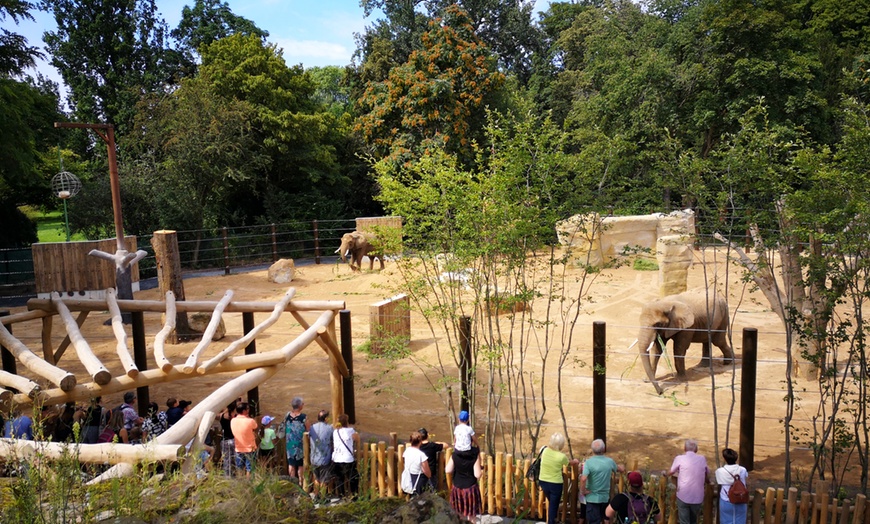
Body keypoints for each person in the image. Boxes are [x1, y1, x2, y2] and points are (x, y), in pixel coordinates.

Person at [539, 432, 581, 524]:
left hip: (543, 481)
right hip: (555, 484)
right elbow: (569, 463)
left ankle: (554, 519)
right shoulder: (561, 456)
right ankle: (551, 521)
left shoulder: (544, 450)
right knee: (554, 505)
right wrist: (575, 461)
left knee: (552, 503)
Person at [580, 439, 624, 524]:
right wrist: (623, 467)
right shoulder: (609, 461)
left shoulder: (588, 463)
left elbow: (583, 478)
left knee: (593, 521)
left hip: (592, 497)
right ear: (603, 449)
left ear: (592, 450)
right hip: (604, 497)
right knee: (605, 519)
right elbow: (619, 469)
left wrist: (583, 490)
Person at [666, 439, 710, 524]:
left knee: (684, 521)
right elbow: (707, 472)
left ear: (684, 448)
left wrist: (665, 474)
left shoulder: (679, 458)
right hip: (697, 497)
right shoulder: (702, 459)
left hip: (683, 495)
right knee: (693, 521)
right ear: (696, 449)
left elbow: (671, 472)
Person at [446, 442, 482, 522]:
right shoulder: (474, 455)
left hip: (457, 488)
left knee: (459, 513)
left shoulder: (455, 455)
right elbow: (477, 474)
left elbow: (447, 470)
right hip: (470, 488)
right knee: (471, 515)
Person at [715, 448, 749, 524]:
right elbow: (746, 477)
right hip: (741, 498)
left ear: (725, 458)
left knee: (725, 521)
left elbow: (719, 481)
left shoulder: (720, 471)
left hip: (726, 500)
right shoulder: (742, 470)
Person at [282, 396, 310, 480]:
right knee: (300, 464)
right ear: (300, 405)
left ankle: (292, 482)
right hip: (300, 444)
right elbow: (309, 430)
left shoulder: (287, 416)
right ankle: (301, 482)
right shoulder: (303, 417)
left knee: (291, 464)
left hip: (290, 443)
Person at [332, 413, 360, 498]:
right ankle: (354, 495)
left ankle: (341, 495)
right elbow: (357, 439)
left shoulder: (335, 432)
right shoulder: (350, 431)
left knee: (339, 478)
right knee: (353, 478)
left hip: (337, 458)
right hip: (347, 458)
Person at [230, 401, 258, 477]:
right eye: (247, 409)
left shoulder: (233, 421)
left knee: (239, 468)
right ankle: (248, 484)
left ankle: (240, 484)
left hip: (238, 448)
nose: (248, 410)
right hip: (250, 448)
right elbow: (255, 426)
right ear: (244, 411)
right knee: (250, 469)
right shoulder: (250, 421)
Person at [309, 409, 334, 494]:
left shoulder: (312, 427)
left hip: (314, 458)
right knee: (324, 479)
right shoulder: (329, 428)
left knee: (316, 478)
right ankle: (323, 497)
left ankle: (316, 495)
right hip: (324, 458)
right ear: (326, 418)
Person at [402, 430, 431, 496]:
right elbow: (426, 470)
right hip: (419, 479)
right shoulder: (421, 455)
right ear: (420, 442)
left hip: (409, 476)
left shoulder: (407, 450)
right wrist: (429, 475)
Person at [219, 398, 239, 476]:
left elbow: (221, 415)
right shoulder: (236, 417)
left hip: (225, 440)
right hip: (234, 439)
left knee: (227, 460)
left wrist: (226, 409)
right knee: (236, 459)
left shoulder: (222, 416)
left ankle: (227, 476)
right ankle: (237, 474)